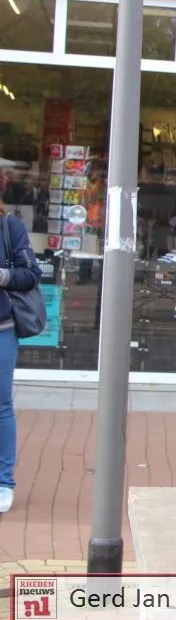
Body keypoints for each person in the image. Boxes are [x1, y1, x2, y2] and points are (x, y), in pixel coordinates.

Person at [0, 206, 40, 514]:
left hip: (2, 329)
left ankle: (3, 483)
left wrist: (4, 275)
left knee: (1, 405)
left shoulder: (8, 226)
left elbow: (30, 274)